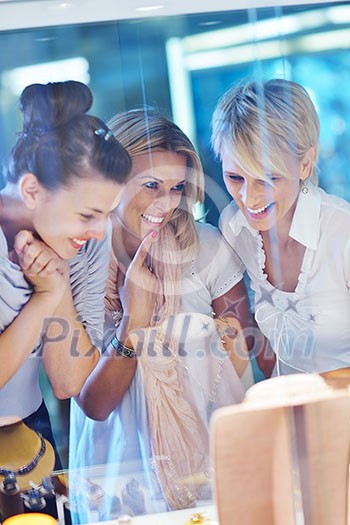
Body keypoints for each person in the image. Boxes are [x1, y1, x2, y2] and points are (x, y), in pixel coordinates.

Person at [69, 108, 259, 522]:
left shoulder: (207, 247)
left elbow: (243, 361)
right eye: (151, 184)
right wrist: (134, 319)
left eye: (176, 187)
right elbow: (94, 405)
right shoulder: (77, 260)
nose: (166, 202)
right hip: (120, 470)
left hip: (208, 461)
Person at [0, 80, 132, 469]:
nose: (99, 230)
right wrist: (43, 298)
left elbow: (70, 381)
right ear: (31, 191)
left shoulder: (87, 241)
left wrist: (58, 290)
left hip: (30, 436)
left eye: (107, 213)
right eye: (88, 214)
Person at [212, 78, 350, 376]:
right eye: (235, 178)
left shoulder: (343, 232)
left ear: (305, 164)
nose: (249, 199)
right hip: (286, 412)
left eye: (268, 178)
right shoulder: (234, 226)